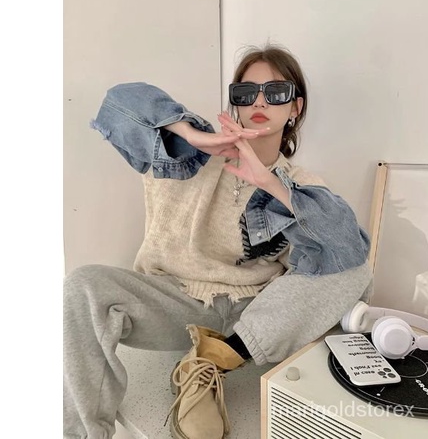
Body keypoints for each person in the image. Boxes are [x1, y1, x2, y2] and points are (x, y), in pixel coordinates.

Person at [63, 44, 373, 439]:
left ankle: (211, 361)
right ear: (235, 103)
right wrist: (191, 134)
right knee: (82, 285)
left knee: (356, 267)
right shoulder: (184, 156)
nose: (259, 101)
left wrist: (270, 182)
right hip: (176, 302)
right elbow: (118, 102)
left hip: (255, 317)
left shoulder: (300, 184)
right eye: (246, 92)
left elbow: (348, 248)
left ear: (295, 108)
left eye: (275, 92)